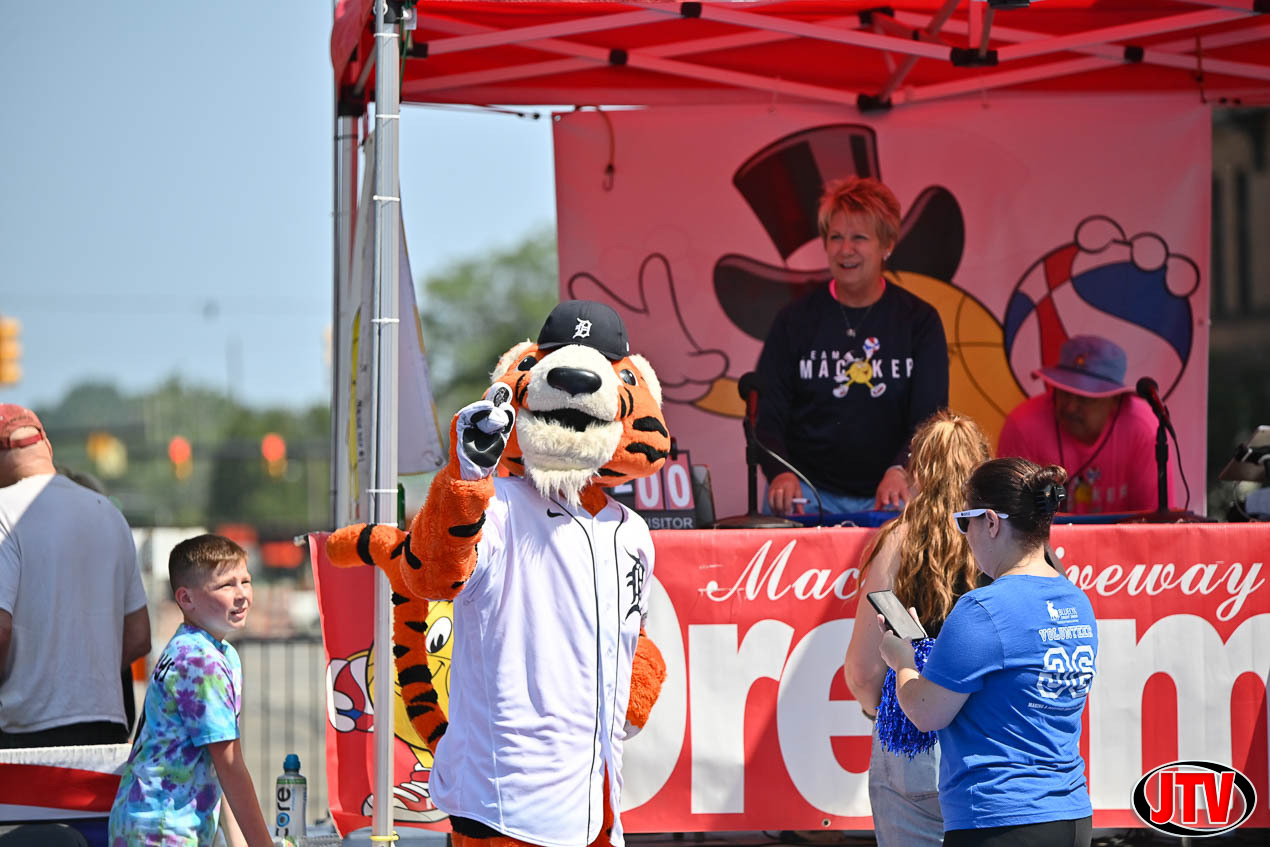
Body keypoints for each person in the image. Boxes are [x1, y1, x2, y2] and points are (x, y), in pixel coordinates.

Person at [879, 458, 1098, 847]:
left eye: (965, 521)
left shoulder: (982, 610)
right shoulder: (1077, 602)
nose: (965, 535)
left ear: (992, 522)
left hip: (999, 818)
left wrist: (902, 662)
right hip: (1071, 815)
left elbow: (925, 712)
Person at [755, 176, 949, 515]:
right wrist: (781, 473)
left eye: (859, 238)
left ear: (887, 245)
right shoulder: (794, 321)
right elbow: (768, 416)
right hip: (808, 493)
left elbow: (930, 419)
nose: (846, 250)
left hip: (893, 493)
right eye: (836, 238)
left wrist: (899, 470)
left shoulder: (919, 321)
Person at [843, 411, 990, 846]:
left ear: (917, 472)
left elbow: (864, 671)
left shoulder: (898, 541)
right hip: (987, 742)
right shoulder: (1002, 540)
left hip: (913, 740)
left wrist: (884, 707)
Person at [0, 404, 151, 747]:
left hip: (23, 729)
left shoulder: (3, 509)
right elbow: (140, 635)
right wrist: (83, 678)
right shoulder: (108, 512)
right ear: (47, 448)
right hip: (106, 725)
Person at [109, 534, 273, 847]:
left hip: (159, 824)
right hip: (160, 829)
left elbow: (220, 764)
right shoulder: (200, 661)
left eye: (246, 581)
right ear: (186, 599)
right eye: (226, 585)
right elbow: (230, 766)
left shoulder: (213, 651)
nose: (242, 595)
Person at [997, 335, 1169, 514]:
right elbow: (1011, 521)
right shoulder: (1023, 424)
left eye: (1084, 398)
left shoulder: (1144, 428)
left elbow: (1155, 525)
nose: (1071, 407)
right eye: (1063, 392)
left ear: (1115, 400)